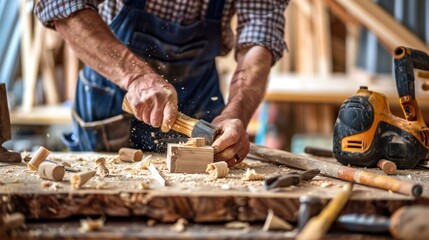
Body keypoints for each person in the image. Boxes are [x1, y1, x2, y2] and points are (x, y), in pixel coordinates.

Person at [35, 0, 289, 166]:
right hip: (113, 89)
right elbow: (62, 7)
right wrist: (137, 77)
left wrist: (236, 113)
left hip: (197, 95)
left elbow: (260, 38)